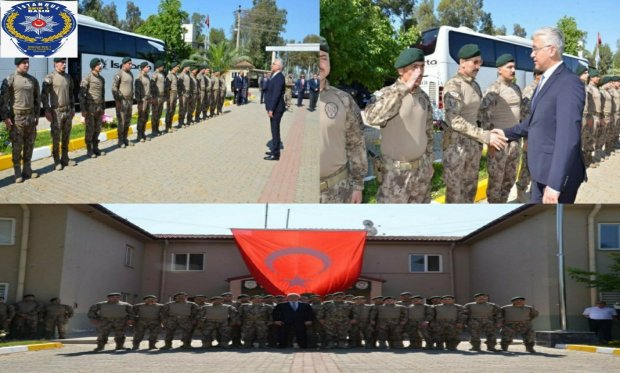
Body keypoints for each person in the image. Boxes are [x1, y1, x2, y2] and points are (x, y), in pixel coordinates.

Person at [492, 27, 586, 203]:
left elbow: (568, 137)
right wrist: (506, 133)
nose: (531, 54)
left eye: (535, 48)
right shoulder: (546, 80)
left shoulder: (568, 83)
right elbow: (535, 122)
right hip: (541, 171)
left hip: (555, 177)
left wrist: (555, 184)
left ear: (551, 50)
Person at [365, 47, 434, 203]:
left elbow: (428, 132)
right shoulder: (386, 94)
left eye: (422, 67)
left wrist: (429, 162)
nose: (420, 72)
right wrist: (403, 89)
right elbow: (372, 117)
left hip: (421, 173)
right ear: (401, 70)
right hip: (395, 175)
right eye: (415, 67)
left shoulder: (423, 97)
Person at [442, 44, 507, 203]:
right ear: (462, 62)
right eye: (475, 62)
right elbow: (454, 120)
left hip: (473, 147)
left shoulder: (475, 85)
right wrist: (484, 136)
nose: (479, 66)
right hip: (456, 148)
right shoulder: (454, 85)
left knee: (470, 190)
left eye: (480, 62)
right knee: (455, 194)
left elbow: (478, 116)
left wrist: (487, 137)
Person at [319, 37, 368, 203]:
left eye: (323, 58)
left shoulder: (344, 100)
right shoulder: (291, 99)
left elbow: (356, 144)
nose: (319, 63)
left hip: (338, 191)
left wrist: (358, 186)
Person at [479, 54, 523, 203]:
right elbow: (484, 117)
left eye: (514, 66)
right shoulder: (494, 90)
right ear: (499, 70)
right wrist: (489, 142)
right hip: (499, 143)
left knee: (509, 179)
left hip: (515, 142)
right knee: (495, 182)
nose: (513, 70)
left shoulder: (516, 88)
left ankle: (503, 203)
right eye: (509, 67)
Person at [1, 58, 41, 183]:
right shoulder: (10, 79)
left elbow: (37, 98)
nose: (27, 65)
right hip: (16, 118)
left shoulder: (32, 80)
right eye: (24, 63)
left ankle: (27, 169)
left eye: (28, 62)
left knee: (30, 144)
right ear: (18, 64)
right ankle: (17, 170)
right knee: (17, 146)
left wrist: (37, 115)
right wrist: (6, 117)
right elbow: (3, 101)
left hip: (30, 117)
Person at [41, 58, 76, 170]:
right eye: (62, 62)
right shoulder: (50, 77)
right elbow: (44, 95)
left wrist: (73, 108)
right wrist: (46, 110)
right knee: (56, 137)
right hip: (56, 111)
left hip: (67, 110)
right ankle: (56, 160)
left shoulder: (68, 77)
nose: (64, 64)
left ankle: (65, 158)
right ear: (55, 63)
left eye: (65, 62)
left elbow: (71, 94)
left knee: (66, 136)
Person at [515, 70, 542, 202]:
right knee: (527, 164)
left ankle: (534, 190)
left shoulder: (544, 89)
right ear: (537, 75)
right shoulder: (529, 91)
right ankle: (521, 190)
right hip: (531, 135)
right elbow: (525, 116)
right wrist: (527, 138)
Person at [80, 58, 106, 157]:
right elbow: (81, 95)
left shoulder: (102, 79)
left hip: (99, 107)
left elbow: (102, 94)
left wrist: (103, 108)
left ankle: (96, 148)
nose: (100, 66)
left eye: (100, 64)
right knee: (90, 129)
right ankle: (89, 150)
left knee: (98, 128)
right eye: (98, 65)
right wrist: (83, 110)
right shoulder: (87, 78)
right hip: (90, 108)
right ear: (93, 66)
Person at [264, 59, 286, 161]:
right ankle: (274, 149)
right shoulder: (275, 75)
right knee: (274, 130)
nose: (271, 65)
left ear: (279, 66)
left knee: (275, 130)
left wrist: (271, 109)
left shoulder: (279, 77)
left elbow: (276, 95)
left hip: (276, 109)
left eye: (274, 64)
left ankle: (276, 154)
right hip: (274, 108)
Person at [112, 57, 134, 148]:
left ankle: (125, 139)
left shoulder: (131, 74)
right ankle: (120, 141)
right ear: (124, 64)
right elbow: (114, 88)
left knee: (127, 121)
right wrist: (117, 100)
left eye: (131, 64)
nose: (131, 65)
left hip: (129, 101)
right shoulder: (119, 73)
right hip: (122, 101)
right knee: (122, 121)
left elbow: (131, 87)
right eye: (129, 63)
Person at [576, 65, 595, 168]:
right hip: (578, 116)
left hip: (586, 116)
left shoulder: (585, 87)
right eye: (585, 73)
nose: (588, 75)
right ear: (580, 74)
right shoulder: (575, 86)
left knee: (584, 139)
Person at [134, 61, 152, 142]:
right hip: (142, 101)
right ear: (143, 68)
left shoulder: (148, 77)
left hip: (148, 100)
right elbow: (137, 92)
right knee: (141, 118)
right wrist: (140, 102)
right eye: (147, 67)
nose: (148, 68)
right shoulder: (139, 78)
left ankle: (143, 134)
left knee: (145, 118)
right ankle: (139, 135)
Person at [150, 60, 166, 136]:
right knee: (155, 114)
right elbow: (152, 84)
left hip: (161, 97)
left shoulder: (162, 74)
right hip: (156, 97)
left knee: (159, 114)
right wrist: (154, 96)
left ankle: (157, 129)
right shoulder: (155, 74)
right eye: (162, 66)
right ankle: (154, 130)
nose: (163, 67)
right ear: (158, 66)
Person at [165, 61, 180, 133]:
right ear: (174, 67)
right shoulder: (169, 75)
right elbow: (167, 86)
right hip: (171, 94)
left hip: (175, 94)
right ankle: (167, 127)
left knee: (173, 110)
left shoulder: (175, 75)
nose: (178, 68)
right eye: (177, 66)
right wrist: (169, 95)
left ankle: (170, 125)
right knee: (169, 110)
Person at [177, 61, 192, 128]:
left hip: (187, 93)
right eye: (188, 67)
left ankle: (183, 122)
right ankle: (180, 123)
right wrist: (181, 93)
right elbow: (179, 85)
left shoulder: (187, 74)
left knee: (185, 108)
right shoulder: (181, 75)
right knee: (182, 108)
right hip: (183, 94)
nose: (189, 68)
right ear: (185, 67)